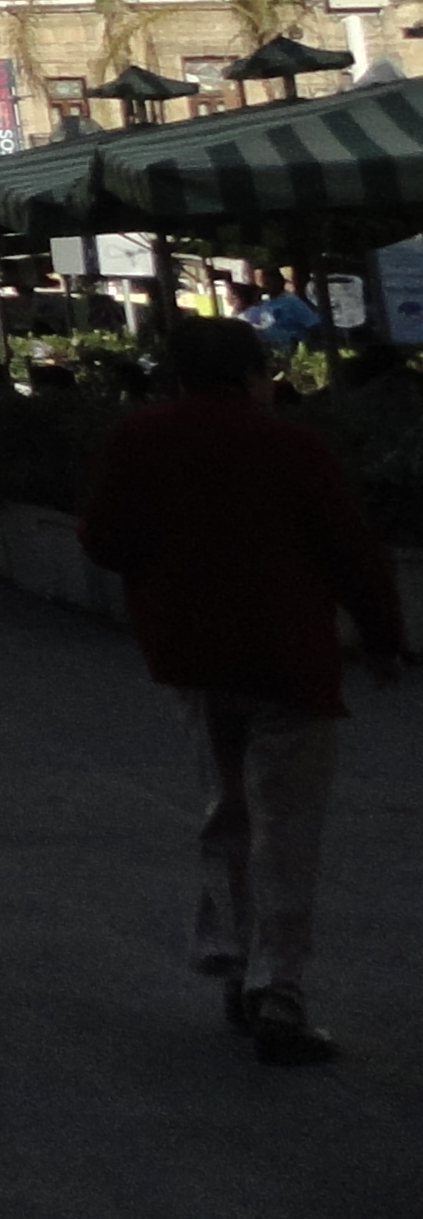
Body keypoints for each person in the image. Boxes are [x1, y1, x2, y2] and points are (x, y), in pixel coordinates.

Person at [77, 314, 409, 1068]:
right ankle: (280, 991)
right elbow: (350, 547)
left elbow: (103, 540)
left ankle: (232, 962)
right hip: (288, 659)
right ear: (253, 374)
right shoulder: (290, 444)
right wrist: (383, 639)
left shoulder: (140, 439)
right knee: (285, 826)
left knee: (224, 813)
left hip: (192, 656)